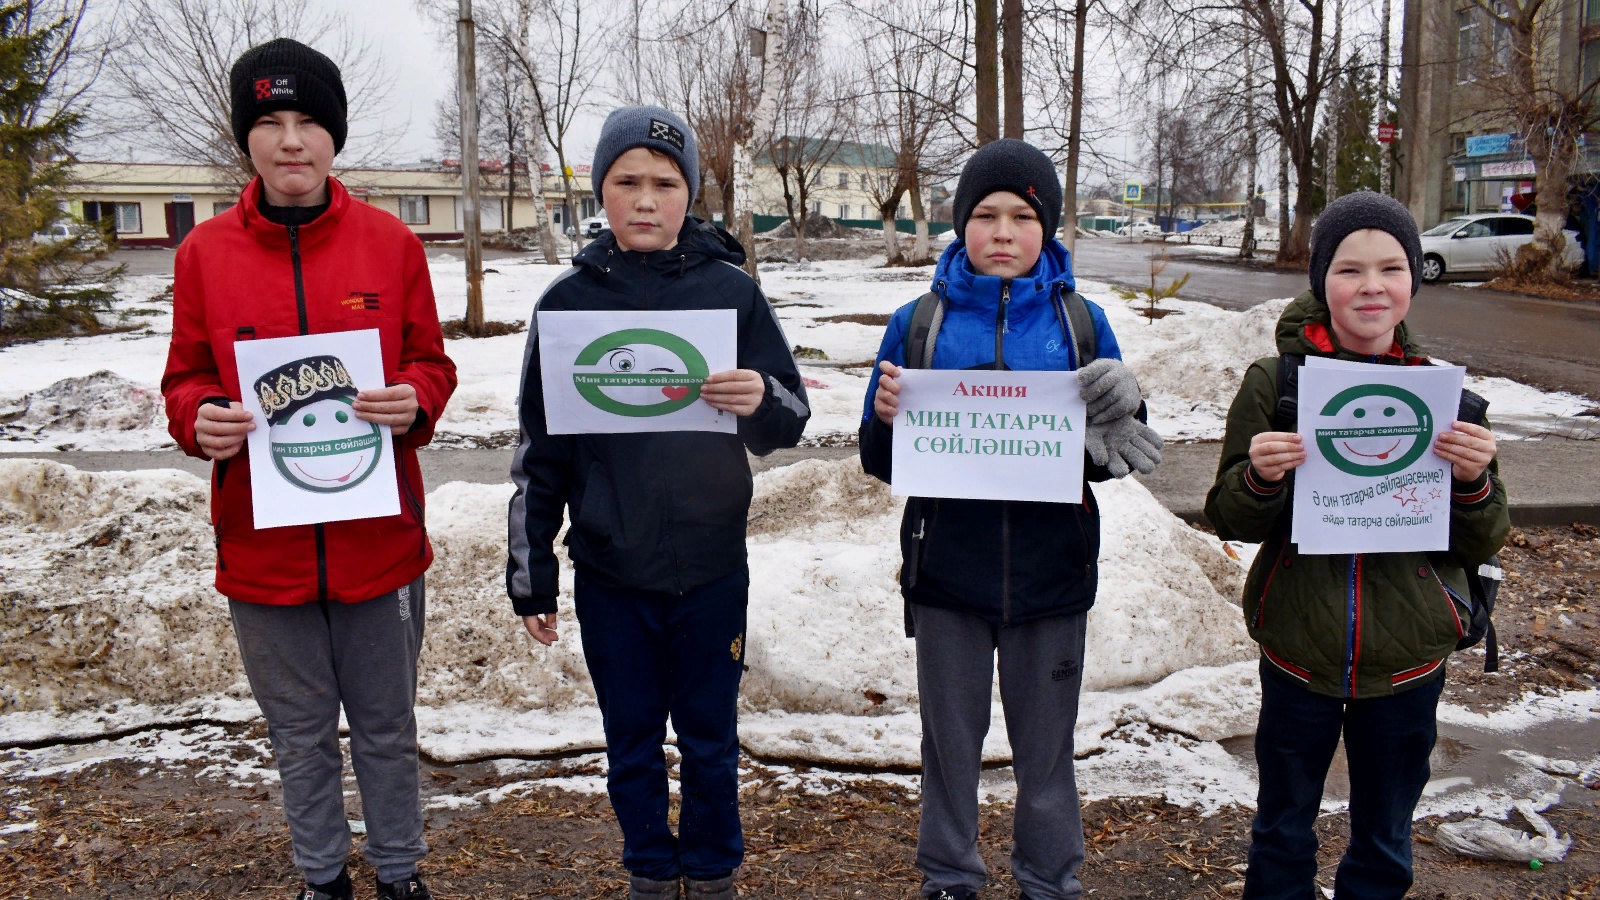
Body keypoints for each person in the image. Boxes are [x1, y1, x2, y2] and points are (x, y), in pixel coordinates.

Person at [161, 38, 456, 900]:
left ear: (334, 137)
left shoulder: (391, 244)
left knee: (386, 728)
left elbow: (430, 363)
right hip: (262, 546)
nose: (291, 141)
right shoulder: (204, 254)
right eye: (269, 123)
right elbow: (184, 378)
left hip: (378, 543)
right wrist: (199, 419)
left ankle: (401, 877)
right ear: (245, 140)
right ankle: (321, 880)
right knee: (298, 733)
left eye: (308, 123)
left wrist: (415, 399)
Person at [505, 106, 809, 900]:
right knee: (630, 740)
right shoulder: (568, 304)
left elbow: (791, 419)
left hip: (712, 570)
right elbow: (540, 452)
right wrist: (533, 571)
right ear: (600, 190)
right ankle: (647, 866)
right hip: (611, 570)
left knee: (710, 739)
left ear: (691, 193)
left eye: (665, 183)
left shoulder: (731, 293)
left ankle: (710, 873)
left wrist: (761, 400)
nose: (646, 200)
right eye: (626, 181)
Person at [859, 139, 1163, 900]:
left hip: (1052, 577)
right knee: (950, 746)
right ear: (961, 224)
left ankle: (1050, 880)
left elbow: (1110, 451)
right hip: (947, 578)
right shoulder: (918, 320)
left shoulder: (1082, 323)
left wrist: (1125, 404)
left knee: (1046, 749)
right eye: (985, 215)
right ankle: (950, 877)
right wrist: (889, 420)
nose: (1002, 231)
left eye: (1022, 216)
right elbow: (880, 456)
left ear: (1047, 227)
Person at [1204, 191, 1509, 899]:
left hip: (1407, 657)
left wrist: (1472, 482)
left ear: (1413, 279)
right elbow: (1229, 515)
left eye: (1390, 268)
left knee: (1385, 829)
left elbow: (1487, 536)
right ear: (1321, 282)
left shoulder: (1445, 396)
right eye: (1348, 269)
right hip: (1298, 650)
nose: (1371, 286)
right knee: (1282, 822)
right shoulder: (1276, 385)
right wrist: (1260, 476)